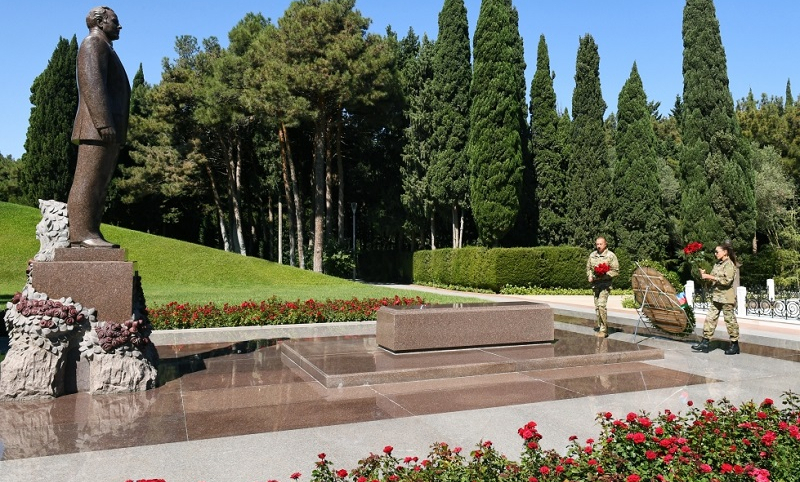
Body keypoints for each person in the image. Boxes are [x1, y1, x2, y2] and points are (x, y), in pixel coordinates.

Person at [67, 6, 130, 248]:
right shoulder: (93, 44)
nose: (119, 25)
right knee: (88, 180)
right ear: (100, 22)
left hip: (107, 129)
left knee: (100, 182)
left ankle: (92, 231)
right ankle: (82, 234)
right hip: (96, 128)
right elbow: (91, 83)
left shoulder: (105, 47)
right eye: (115, 20)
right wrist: (104, 122)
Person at [691, 241, 740, 355]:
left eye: (717, 252)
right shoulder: (717, 264)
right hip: (717, 297)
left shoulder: (730, 265)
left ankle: (734, 344)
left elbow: (727, 281)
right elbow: (714, 278)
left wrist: (710, 277)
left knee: (730, 321)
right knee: (710, 318)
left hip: (726, 298)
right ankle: (705, 342)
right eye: (715, 252)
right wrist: (705, 276)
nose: (715, 254)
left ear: (725, 252)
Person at [586, 237, 619, 337]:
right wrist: (590, 276)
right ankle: (600, 326)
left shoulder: (611, 256)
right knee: (597, 308)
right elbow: (588, 268)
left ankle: (604, 330)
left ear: (605, 244)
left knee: (601, 306)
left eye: (600, 244)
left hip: (605, 285)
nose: (598, 246)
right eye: (597, 244)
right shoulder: (592, 255)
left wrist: (603, 274)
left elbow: (616, 271)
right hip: (595, 285)